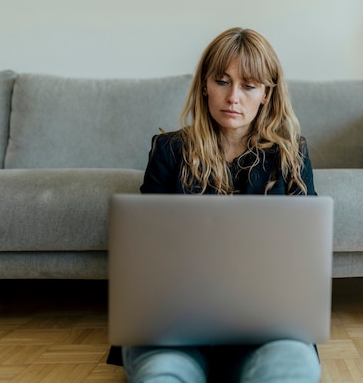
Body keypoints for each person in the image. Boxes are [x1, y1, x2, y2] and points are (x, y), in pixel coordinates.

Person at [118, 27, 320, 383]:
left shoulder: (291, 154)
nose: (233, 97)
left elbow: (306, 252)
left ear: (266, 95)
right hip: (175, 318)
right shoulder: (169, 150)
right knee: (161, 375)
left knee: (292, 370)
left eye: (249, 85)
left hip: (266, 322)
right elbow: (145, 248)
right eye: (222, 81)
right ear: (204, 86)